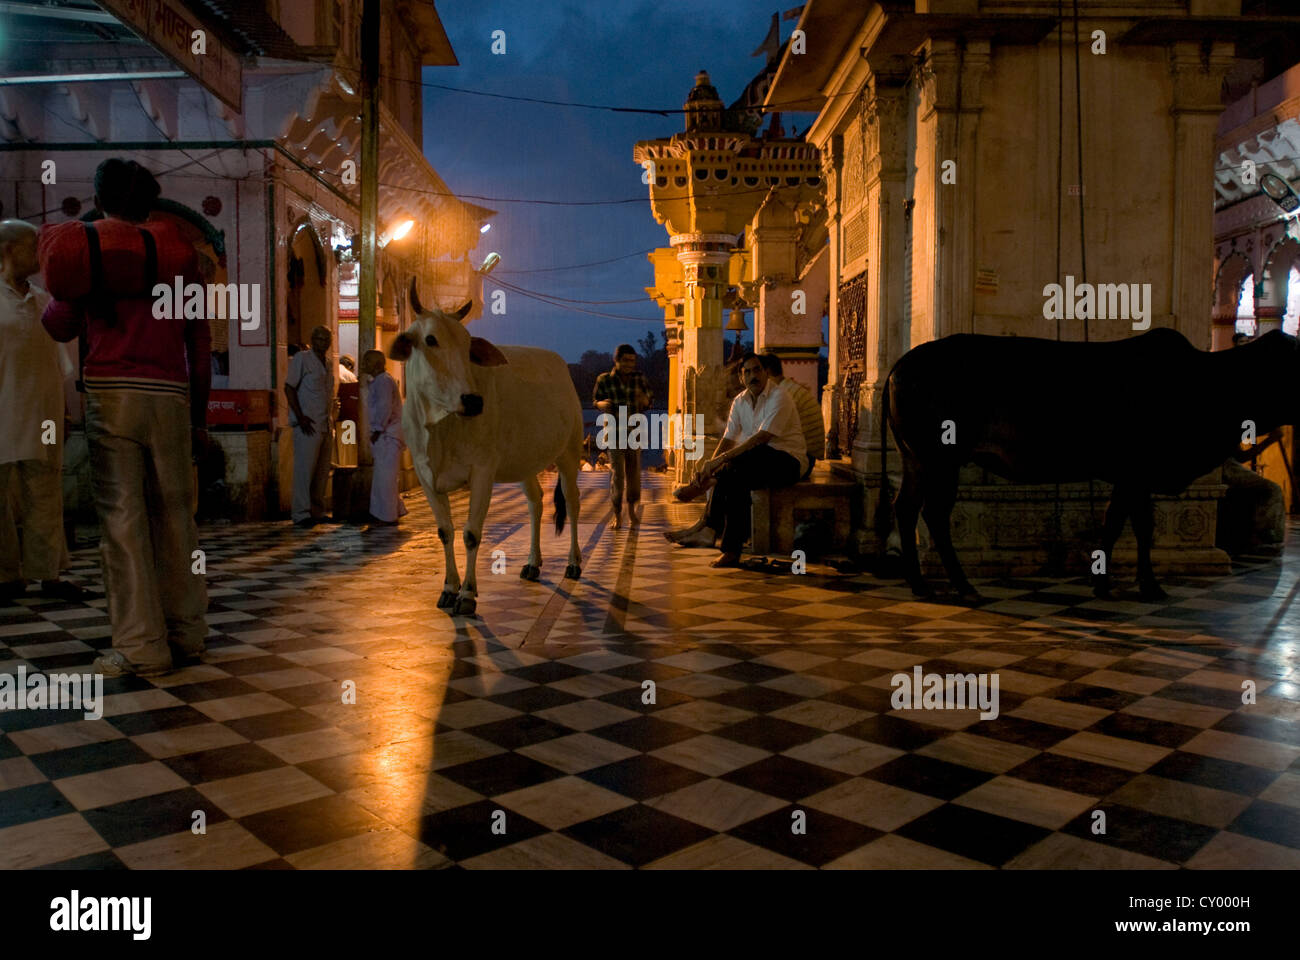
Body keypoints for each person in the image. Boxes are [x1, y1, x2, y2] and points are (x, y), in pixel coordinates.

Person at [41, 159, 210, 676]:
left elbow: (58, 325)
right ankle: (186, 634)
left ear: (101, 197)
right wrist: (198, 418)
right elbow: (198, 340)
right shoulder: (180, 252)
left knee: (124, 521)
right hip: (172, 396)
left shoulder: (91, 250)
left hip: (113, 394)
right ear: (151, 199)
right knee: (178, 517)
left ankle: (141, 646)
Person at [0, 219, 84, 602]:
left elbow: (59, 363)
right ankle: (6, 576)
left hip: (44, 413)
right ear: (7, 250)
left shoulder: (42, 300)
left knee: (45, 492)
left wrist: (65, 413)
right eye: (33, 246)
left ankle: (48, 574)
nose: (40, 253)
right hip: (3, 411)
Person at [675, 351, 805, 567]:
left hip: (788, 462)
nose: (753, 375)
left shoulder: (779, 396)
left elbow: (760, 439)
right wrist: (709, 465)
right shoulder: (740, 401)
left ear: (765, 373)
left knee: (741, 461)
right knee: (735, 478)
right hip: (755, 463)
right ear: (741, 377)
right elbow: (728, 438)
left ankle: (710, 528)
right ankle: (728, 548)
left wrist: (716, 463)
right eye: (747, 372)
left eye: (757, 370)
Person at [285, 324, 339, 527]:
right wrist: (300, 417)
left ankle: (317, 511)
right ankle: (301, 513)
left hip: (326, 424)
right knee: (304, 470)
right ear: (312, 339)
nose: (322, 343)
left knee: (322, 471)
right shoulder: (302, 359)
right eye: (319, 338)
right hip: (307, 424)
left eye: (326, 339)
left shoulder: (328, 363)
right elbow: (289, 388)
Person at [592, 343, 652, 528]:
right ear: (616, 360)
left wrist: (645, 400)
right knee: (617, 475)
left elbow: (649, 400)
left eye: (632, 361)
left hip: (634, 433)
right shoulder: (604, 380)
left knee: (634, 474)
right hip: (614, 433)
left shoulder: (639, 378)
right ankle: (617, 514)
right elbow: (595, 401)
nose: (629, 365)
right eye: (625, 361)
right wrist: (602, 405)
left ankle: (632, 511)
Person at [758, 352, 824, 478]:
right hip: (804, 456)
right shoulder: (787, 388)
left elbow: (764, 435)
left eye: (757, 371)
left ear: (766, 373)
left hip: (800, 460)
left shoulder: (784, 395)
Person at [361, 349, 406, 526]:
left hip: (388, 435)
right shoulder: (379, 381)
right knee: (384, 476)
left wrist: (377, 430)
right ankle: (392, 510)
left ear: (377, 364)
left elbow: (384, 408)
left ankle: (386, 516)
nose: (363, 364)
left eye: (367, 361)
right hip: (386, 435)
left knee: (385, 477)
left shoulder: (383, 382)